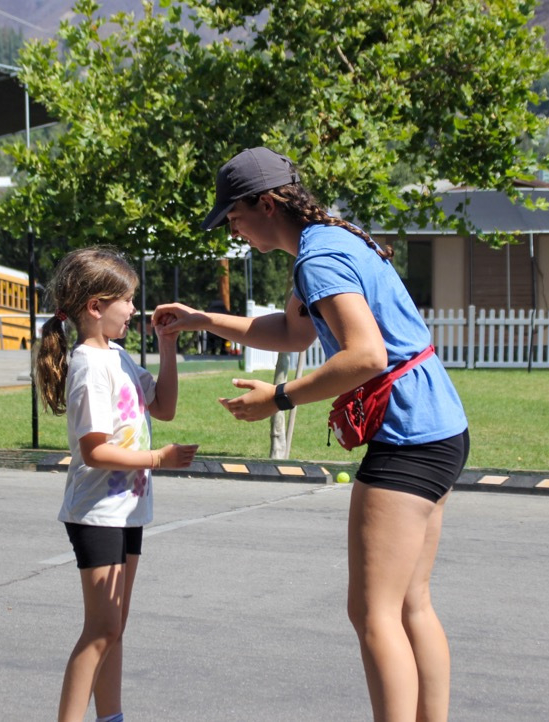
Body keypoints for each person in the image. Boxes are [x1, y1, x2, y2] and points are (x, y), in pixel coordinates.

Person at [153, 148, 469, 722]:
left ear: (266, 204)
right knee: (411, 604)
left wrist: (278, 398)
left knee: (373, 613)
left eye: (234, 216)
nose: (233, 229)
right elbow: (295, 333)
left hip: (408, 438)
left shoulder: (318, 257)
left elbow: (366, 356)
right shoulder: (329, 239)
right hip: (440, 426)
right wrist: (203, 319)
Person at [36, 246, 198, 722]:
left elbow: (163, 406)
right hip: (97, 513)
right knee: (101, 630)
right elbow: (94, 450)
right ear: (95, 307)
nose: (133, 309)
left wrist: (167, 346)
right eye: (126, 300)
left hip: (125, 510)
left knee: (114, 628)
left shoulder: (119, 357)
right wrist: (157, 458)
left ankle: (112, 716)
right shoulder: (89, 365)